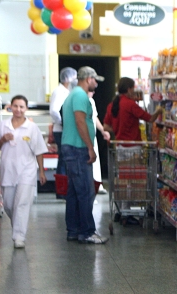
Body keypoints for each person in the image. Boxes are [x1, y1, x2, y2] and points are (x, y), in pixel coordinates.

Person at [0, 95, 48, 248]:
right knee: (9, 205)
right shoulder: (3, 125)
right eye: (15, 106)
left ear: (26, 108)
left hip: (27, 170)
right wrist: (3, 139)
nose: (18, 109)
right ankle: (18, 226)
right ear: (11, 107)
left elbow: (39, 151)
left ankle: (19, 237)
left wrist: (41, 171)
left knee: (22, 204)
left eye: (22, 107)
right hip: (8, 170)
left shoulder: (32, 127)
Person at [61, 66, 108, 244]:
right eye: (95, 80)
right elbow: (80, 121)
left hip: (71, 146)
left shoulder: (72, 95)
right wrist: (90, 147)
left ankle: (73, 230)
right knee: (86, 192)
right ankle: (87, 232)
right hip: (78, 147)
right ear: (88, 79)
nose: (96, 84)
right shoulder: (81, 96)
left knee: (74, 191)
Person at [103, 77, 163, 142]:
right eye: (133, 88)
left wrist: (118, 129)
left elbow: (105, 127)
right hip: (133, 144)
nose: (134, 91)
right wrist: (158, 110)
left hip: (119, 144)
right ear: (129, 90)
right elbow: (150, 119)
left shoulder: (111, 105)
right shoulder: (131, 104)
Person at [49, 67, 77, 183]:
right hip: (61, 130)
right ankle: (62, 186)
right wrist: (63, 123)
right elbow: (54, 111)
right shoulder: (60, 91)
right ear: (68, 79)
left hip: (64, 130)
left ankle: (65, 185)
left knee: (65, 158)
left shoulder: (67, 91)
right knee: (64, 158)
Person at [87, 90, 110, 195]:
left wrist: (102, 130)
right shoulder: (80, 101)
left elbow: (94, 117)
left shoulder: (91, 101)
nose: (93, 93)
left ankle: (97, 185)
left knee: (95, 163)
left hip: (93, 136)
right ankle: (90, 188)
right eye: (91, 91)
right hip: (86, 137)